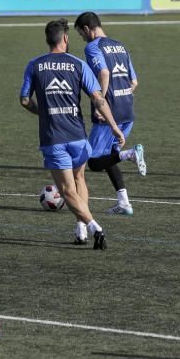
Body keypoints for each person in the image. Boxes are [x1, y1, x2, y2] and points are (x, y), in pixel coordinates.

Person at [20, 19, 125, 249]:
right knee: (80, 179)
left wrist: (43, 112)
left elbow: (25, 100)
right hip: (78, 137)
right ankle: (80, 230)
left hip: (54, 139)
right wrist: (114, 126)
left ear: (48, 40)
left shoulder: (34, 65)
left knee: (67, 191)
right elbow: (98, 99)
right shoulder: (78, 64)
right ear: (65, 39)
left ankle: (94, 227)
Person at [73, 11, 147, 216]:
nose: (82, 38)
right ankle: (124, 203)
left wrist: (100, 103)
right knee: (109, 157)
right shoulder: (120, 45)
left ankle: (130, 154)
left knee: (94, 162)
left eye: (81, 34)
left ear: (87, 29)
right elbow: (134, 82)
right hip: (127, 110)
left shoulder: (93, 47)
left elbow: (104, 73)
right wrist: (122, 95)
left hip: (110, 113)